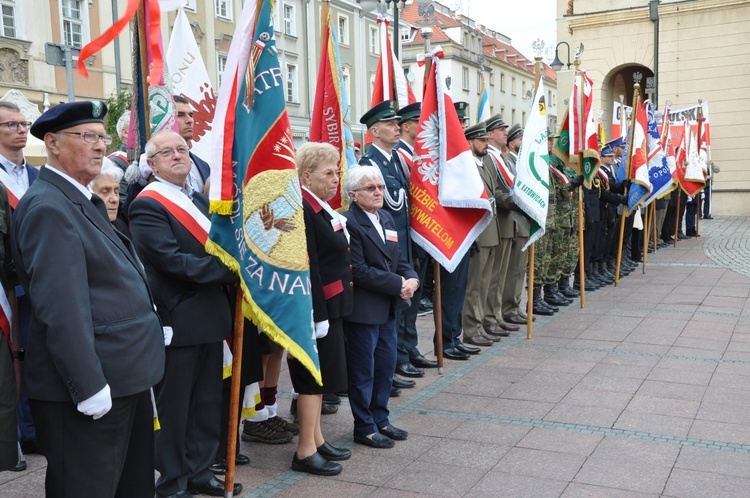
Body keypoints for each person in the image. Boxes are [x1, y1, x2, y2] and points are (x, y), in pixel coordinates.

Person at [12, 100, 165, 497]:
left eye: (102, 137)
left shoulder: (81, 199)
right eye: (87, 136)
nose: (99, 146)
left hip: (123, 374)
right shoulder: (49, 206)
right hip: (90, 385)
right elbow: (62, 307)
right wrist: (88, 385)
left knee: (130, 486)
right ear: (53, 143)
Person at [128, 130, 242, 498]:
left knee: (207, 404)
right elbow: (172, 262)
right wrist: (229, 269)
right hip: (178, 319)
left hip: (210, 317)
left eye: (182, 149)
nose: (178, 155)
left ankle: (200, 471)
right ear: (152, 163)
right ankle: (173, 480)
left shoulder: (195, 198)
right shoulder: (148, 204)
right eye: (167, 152)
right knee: (175, 408)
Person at [343, 166, 418, 449]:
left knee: (386, 367)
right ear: (353, 194)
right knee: (364, 370)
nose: (378, 192)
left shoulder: (385, 217)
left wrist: (411, 277)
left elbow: (398, 258)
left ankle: (381, 419)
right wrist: (399, 282)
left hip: (388, 307)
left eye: (380, 187)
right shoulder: (349, 222)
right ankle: (364, 426)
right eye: (370, 188)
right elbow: (358, 270)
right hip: (364, 309)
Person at [290, 142, 353, 476]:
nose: (335, 179)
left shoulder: (320, 206)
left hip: (332, 304)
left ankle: (316, 439)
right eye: (328, 173)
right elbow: (309, 265)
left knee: (323, 377)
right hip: (318, 308)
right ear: (306, 176)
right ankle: (304, 451)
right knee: (311, 379)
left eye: (337, 172)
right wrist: (318, 314)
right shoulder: (302, 208)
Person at [358, 100, 415, 394]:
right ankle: (388, 370)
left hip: (398, 240)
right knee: (388, 310)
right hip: (381, 242)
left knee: (404, 303)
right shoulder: (370, 163)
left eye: (397, 124)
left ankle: (400, 357)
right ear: (374, 131)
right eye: (391, 124)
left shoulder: (394, 160)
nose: (397, 127)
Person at [0, 101, 39, 468]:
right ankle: (18, 432)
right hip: (9, 284)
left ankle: (33, 428)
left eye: (23, 123)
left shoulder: (38, 176)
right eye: (10, 124)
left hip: (40, 278)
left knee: (35, 354)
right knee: (13, 357)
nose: (20, 129)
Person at [392, 102, 438, 377]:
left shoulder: (418, 156)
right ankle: (400, 354)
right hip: (407, 236)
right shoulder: (400, 156)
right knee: (405, 300)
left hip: (422, 236)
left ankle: (410, 348)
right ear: (407, 126)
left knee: (416, 294)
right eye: (417, 122)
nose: (423, 127)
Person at [461, 123, 502, 348]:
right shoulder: (467, 166)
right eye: (481, 140)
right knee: (474, 285)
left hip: (491, 229)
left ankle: (479, 325)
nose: (486, 144)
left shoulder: (484, 163)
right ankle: (470, 329)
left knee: (485, 283)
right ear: (469, 142)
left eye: (487, 140)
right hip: (478, 232)